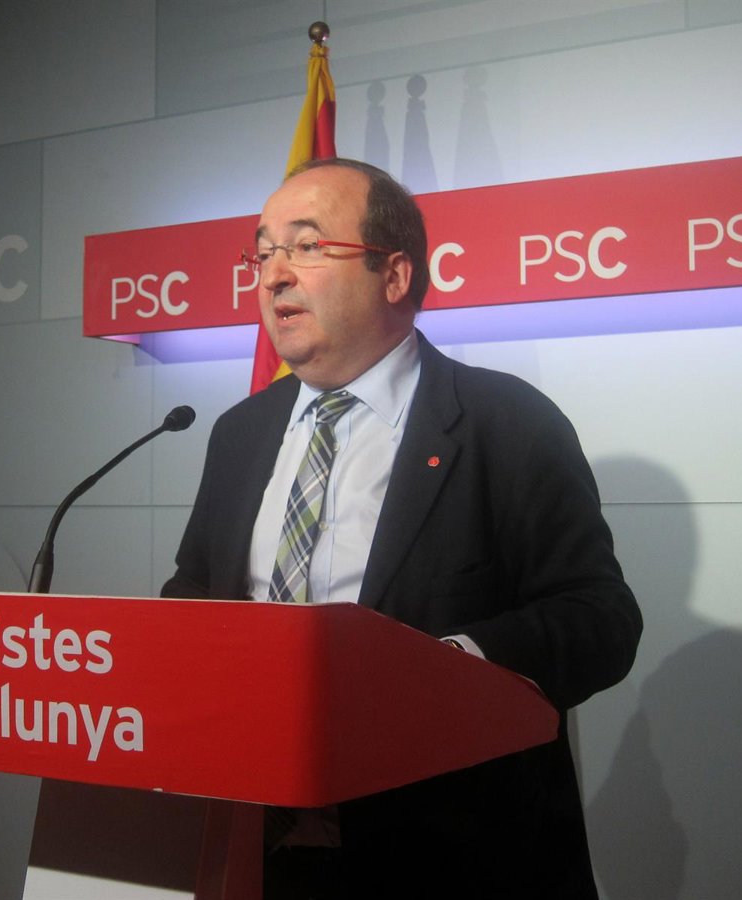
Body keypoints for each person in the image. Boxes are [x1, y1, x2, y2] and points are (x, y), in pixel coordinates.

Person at [161, 158, 642, 898]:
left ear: (394, 276)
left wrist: (449, 670)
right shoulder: (239, 432)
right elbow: (193, 592)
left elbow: (598, 618)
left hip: (452, 856)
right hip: (259, 852)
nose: (274, 275)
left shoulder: (505, 421)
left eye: (307, 246)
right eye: (263, 252)